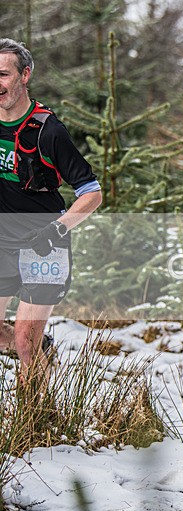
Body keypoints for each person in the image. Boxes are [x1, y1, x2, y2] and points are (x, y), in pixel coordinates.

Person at [0, 39, 102, 383]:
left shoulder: (48, 131)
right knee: (18, 339)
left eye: (2, 74)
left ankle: (36, 419)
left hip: (43, 244)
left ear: (24, 75)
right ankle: (43, 349)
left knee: (24, 339)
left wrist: (57, 230)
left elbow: (92, 193)